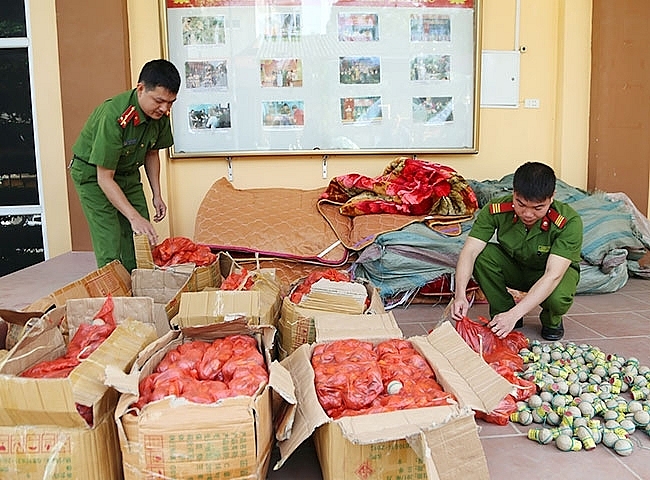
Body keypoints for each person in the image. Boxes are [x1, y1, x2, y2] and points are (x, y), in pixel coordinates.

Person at [69, 59, 181, 272]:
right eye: (159, 100)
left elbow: (152, 152)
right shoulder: (114, 115)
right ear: (140, 89)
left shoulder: (160, 115)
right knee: (110, 237)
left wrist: (156, 194)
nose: (164, 108)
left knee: (140, 238)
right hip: (93, 174)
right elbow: (104, 177)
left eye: (171, 102)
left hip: (127, 172)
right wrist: (133, 217)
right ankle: (114, 296)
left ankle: (136, 288)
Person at [451, 162, 583, 341]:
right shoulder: (496, 209)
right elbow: (470, 251)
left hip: (549, 274)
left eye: (538, 208)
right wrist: (459, 295)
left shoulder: (568, 222)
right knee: (482, 256)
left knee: (558, 298)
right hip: (516, 268)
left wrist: (515, 314)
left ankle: (552, 320)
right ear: (513, 193)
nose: (528, 214)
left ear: (552, 197)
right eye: (520, 204)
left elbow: (553, 275)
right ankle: (503, 313)